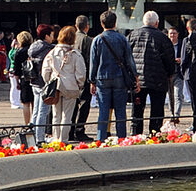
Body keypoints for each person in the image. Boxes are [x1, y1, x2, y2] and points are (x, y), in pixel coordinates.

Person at [88, 10, 136, 141]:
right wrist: (135, 76)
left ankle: (101, 138)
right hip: (120, 77)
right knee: (120, 111)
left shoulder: (97, 39)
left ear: (101, 23)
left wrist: (92, 81)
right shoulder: (122, 39)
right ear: (115, 23)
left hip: (102, 77)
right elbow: (129, 61)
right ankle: (121, 138)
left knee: (103, 111)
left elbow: (94, 62)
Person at [128, 10, 176, 135]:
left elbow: (126, 57)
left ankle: (136, 135)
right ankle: (154, 134)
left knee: (137, 111)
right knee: (157, 110)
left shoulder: (133, 35)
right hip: (158, 79)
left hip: (138, 80)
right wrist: (170, 73)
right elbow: (169, 59)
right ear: (156, 23)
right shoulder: (163, 38)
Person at [42, 26, 87, 143]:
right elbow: (81, 74)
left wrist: (49, 81)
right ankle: (64, 139)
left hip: (56, 86)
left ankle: (56, 139)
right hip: (71, 87)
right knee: (67, 116)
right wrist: (79, 84)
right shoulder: (76, 54)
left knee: (56, 115)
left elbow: (45, 71)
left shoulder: (51, 53)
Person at [68, 14, 96, 142]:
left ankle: (70, 129)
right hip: (83, 76)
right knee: (84, 104)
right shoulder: (87, 40)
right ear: (87, 27)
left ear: (76, 26)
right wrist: (92, 80)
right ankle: (79, 130)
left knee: (73, 104)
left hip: (71, 76)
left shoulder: (71, 39)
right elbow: (91, 61)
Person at [10, 31, 36, 127]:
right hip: (34, 78)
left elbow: (16, 69)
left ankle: (27, 123)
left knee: (26, 103)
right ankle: (35, 122)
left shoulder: (19, 52)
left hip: (24, 78)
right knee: (34, 102)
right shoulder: (33, 50)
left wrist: (17, 82)